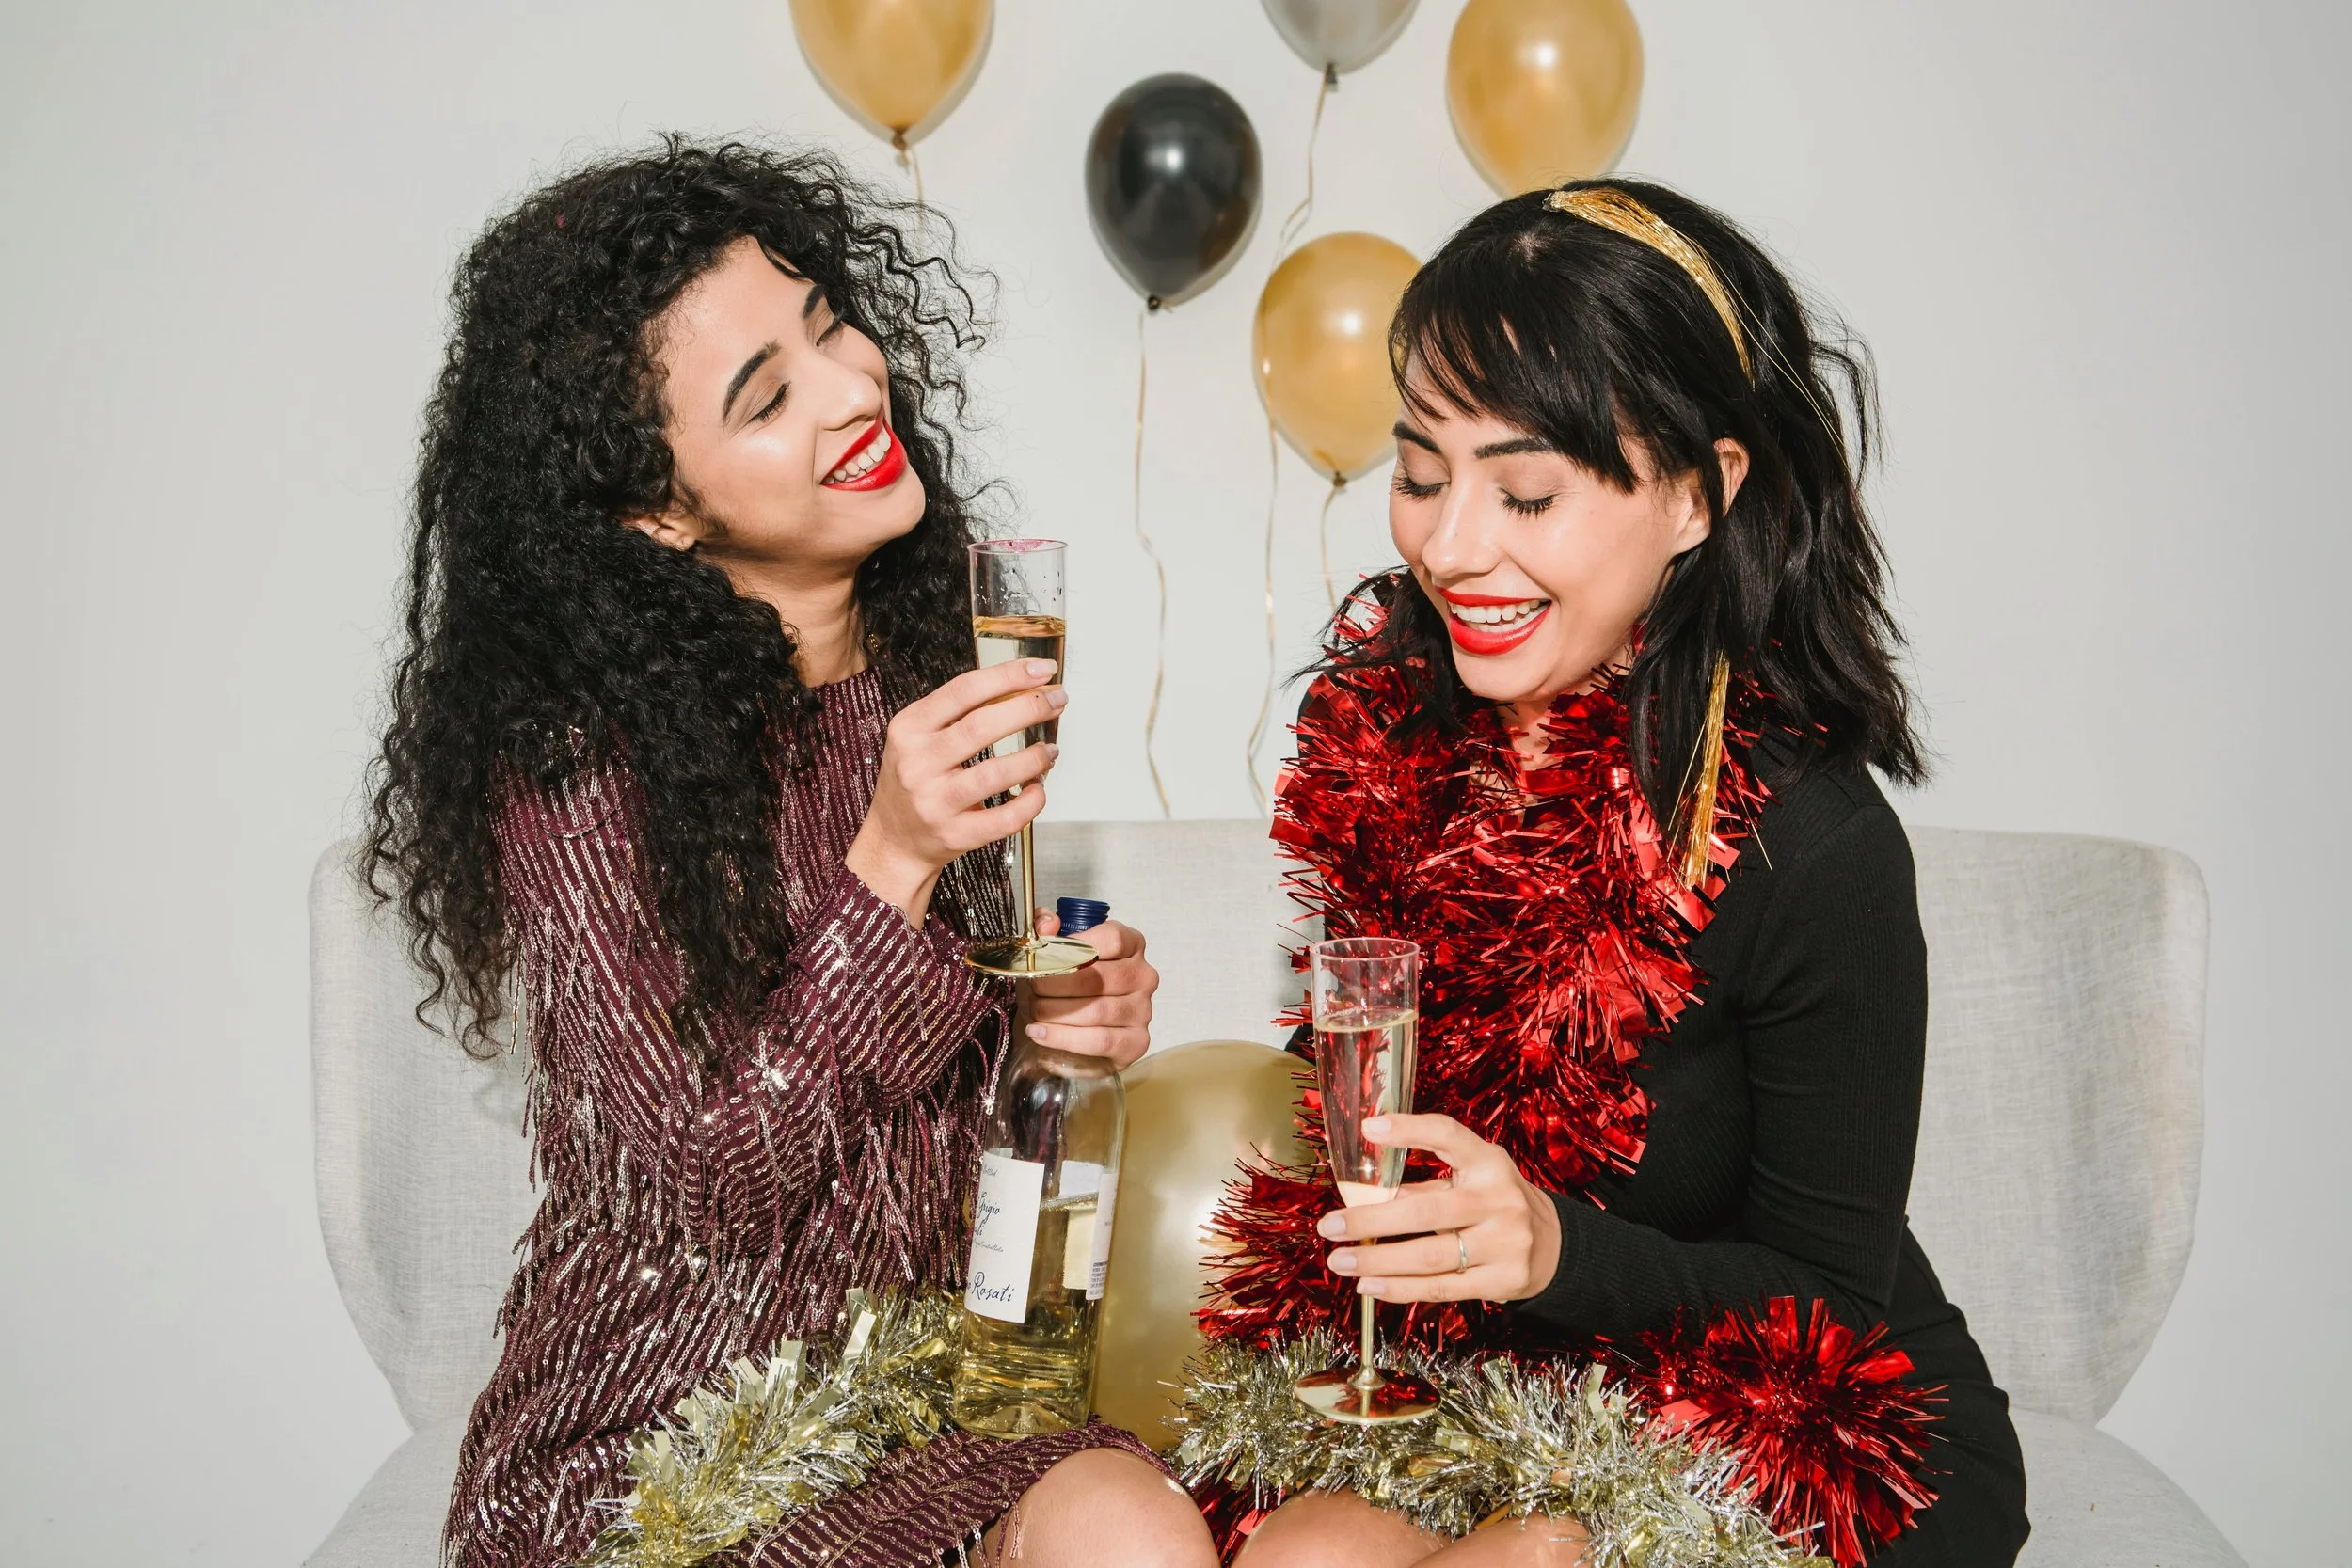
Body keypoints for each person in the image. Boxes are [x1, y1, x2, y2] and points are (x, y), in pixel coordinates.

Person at [363, 138, 1216, 1568]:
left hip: (917, 1420)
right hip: (659, 1461)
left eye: (829, 325)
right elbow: (719, 1183)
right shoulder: (577, 776)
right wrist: (887, 859)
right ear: (657, 509)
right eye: (767, 395)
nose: (851, 386)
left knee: (1131, 1523)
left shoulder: (931, 695)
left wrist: (1053, 1034)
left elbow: (918, 1150)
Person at [1200, 182, 2029, 1567]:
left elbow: (1833, 1301)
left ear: (1699, 495)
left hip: (1803, 1419)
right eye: (1419, 471)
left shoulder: (1811, 839)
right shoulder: (1393, 748)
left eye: (1526, 489)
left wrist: (1553, 1250)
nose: (1452, 545)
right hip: (1507, 1390)